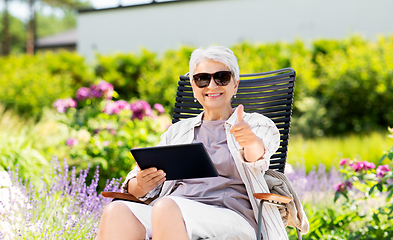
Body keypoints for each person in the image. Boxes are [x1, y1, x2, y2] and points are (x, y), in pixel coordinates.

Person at [96, 46, 289, 240]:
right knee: (117, 211)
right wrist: (141, 183)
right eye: (202, 79)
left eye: (221, 77)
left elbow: (258, 155)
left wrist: (249, 140)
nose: (211, 86)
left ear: (235, 85)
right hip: (173, 210)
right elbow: (136, 187)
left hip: (232, 217)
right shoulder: (178, 131)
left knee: (167, 207)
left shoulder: (255, 123)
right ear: (194, 88)